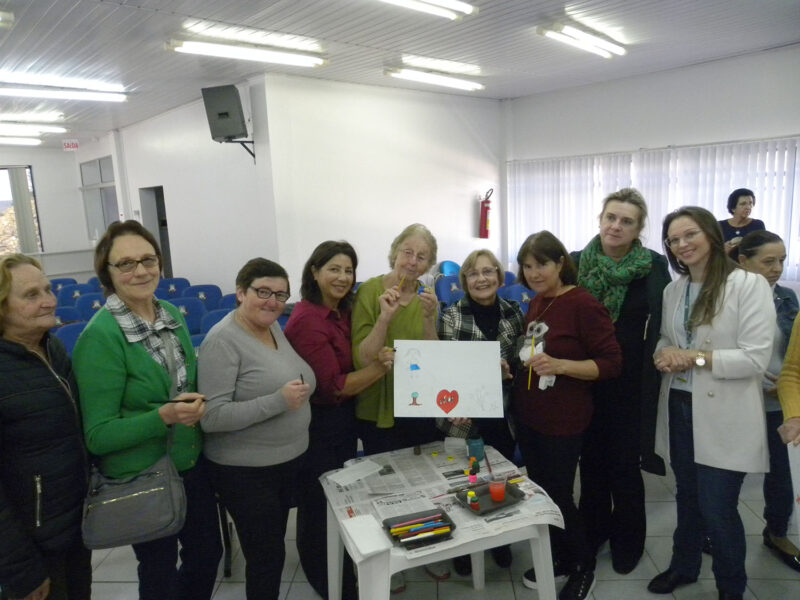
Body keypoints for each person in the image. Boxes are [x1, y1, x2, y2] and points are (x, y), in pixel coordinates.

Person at [73, 220, 221, 600]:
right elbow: (98, 435)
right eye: (125, 264)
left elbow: (184, 384)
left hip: (189, 464)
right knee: (159, 572)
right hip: (143, 476)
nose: (140, 271)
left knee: (206, 555)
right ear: (107, 273)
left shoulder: (170, 312)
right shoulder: (100, 336)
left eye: (148, 259)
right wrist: (165, 417)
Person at [648, 207, 774, 600]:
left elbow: (755, 358)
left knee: (718, 509)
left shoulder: (747, 285)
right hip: (681, 407)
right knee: (687, 496)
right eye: (673, 239)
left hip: (726, 414)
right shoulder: (674, 289)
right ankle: (684, 565)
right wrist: (662, 353)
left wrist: (694, 358)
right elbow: (667, 339)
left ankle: (730, 588)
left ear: (711, 234)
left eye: (691, 234)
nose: (682, 244)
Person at [513, 231, 622, 600]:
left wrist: (561, 365)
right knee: (542, 493)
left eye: (541, 264)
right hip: (531, 415)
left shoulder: (582, 304)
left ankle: (582, 564)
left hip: (563, 418)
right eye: (527, 266)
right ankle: (559, 555)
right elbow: (532, 351)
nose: (534, 272)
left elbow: (611, 363)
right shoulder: (537, 302)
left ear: (560, 263)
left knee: (558, 493)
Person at [198, 258, 315, 600]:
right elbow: (212, 417)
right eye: (263, 291)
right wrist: (278, 401)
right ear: (240, 293)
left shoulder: (271, 326)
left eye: (280, 294)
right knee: (267, 558)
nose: (272, 301)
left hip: (282, 463)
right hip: (245, 471)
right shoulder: (222, 341)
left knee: (271, 550)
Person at [284, 241, 394, 600]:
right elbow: (333, 387)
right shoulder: (307, 320)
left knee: (338, 500)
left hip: (343, 423)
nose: (343, 277)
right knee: (318, 504)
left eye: (348, 270)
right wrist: (380, 367)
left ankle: (340, 569)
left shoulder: (342, 311)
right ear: (314, 272)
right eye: (334, 269)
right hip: (320, 424)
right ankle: (328, 581)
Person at [571, 188, 671, 574]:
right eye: (611, 217)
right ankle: (593, 531)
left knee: (625, 466)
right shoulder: (577, 262)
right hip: (585, 379)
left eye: (626, 221)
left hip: (632, 383)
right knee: (591, 463)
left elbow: (666, 316)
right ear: (600, 220)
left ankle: (628, 541)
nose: (616, 226)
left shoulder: (653, 266)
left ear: (638, 229)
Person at [350, 223, 441, 588]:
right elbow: (363, 357)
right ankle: (391, 563)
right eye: (407, 252)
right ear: (394, 252)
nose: (413, 261)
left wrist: (431, 318)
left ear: (430, 263)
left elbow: (432, 357)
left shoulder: (426, 297)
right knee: (384, 489)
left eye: (422, 256)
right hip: (377, 403)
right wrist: (385, 316)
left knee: (422, 485)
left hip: (416, 404)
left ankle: (426, 548)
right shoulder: (371, 290)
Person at [0, 254, 91, 600]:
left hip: (72, 525)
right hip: (31, 543)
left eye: (48, 289)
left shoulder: (52, 349)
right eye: (31, 295)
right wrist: (19, 567)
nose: (49, 300)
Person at [437, 248, 525, 575]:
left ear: (500, 278)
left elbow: (521, 359)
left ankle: (500, 540)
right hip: (466, 418)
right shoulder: (451, 316)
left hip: (502, 415)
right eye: (473, 273)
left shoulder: (514, 313)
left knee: (499, 481)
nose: (481, 279)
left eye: (488, 272)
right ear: (464, 282)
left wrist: (507, 369)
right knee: (468, 483)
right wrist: (455, 403)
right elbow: (444, 370)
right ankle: (464, 547)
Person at [734, 230, 800, 572]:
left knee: (781, 473)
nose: (777, 268)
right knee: (728, 473)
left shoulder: (788, 299)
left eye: (782, 261)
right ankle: (712, 531)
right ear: (744, 261)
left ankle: (776, 531)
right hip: (737, 399)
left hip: (778, 401)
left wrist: (784, 386)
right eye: (769, 261)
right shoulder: (728, 298)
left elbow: (792, 358)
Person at [718, 188, 765, 254]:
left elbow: (763, 250)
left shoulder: (758, 224)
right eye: (743, 204)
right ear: (733, 208)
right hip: (726, 263)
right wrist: (724, 250)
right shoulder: (720, 225)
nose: (748, 207)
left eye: (750, 203)